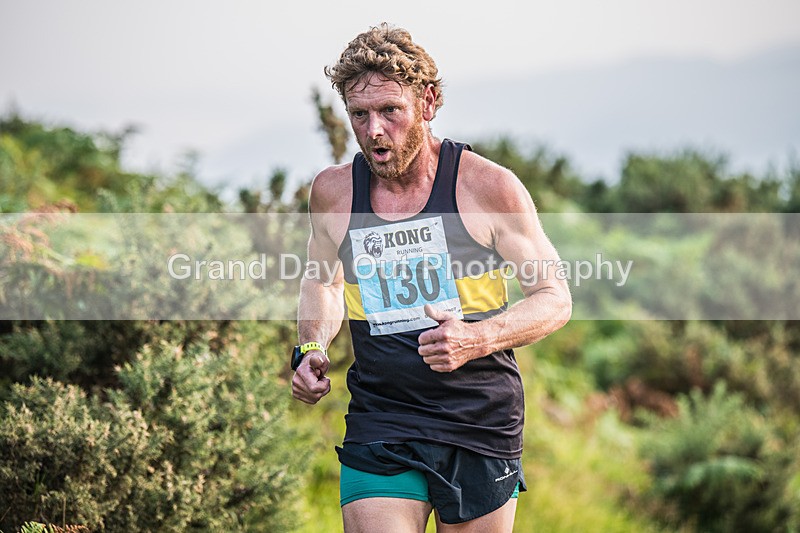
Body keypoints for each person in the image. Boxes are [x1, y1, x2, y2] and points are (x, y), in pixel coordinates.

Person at [291, 23, 572, 533]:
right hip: (381, 417)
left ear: (429, 101)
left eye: (390, 111)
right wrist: (311, 347)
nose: (374, 129)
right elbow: (324, 282)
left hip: (478, 421)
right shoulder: (334, 194)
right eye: (360, 114)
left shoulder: (488, 187)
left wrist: (476, 337)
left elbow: (554, 298)